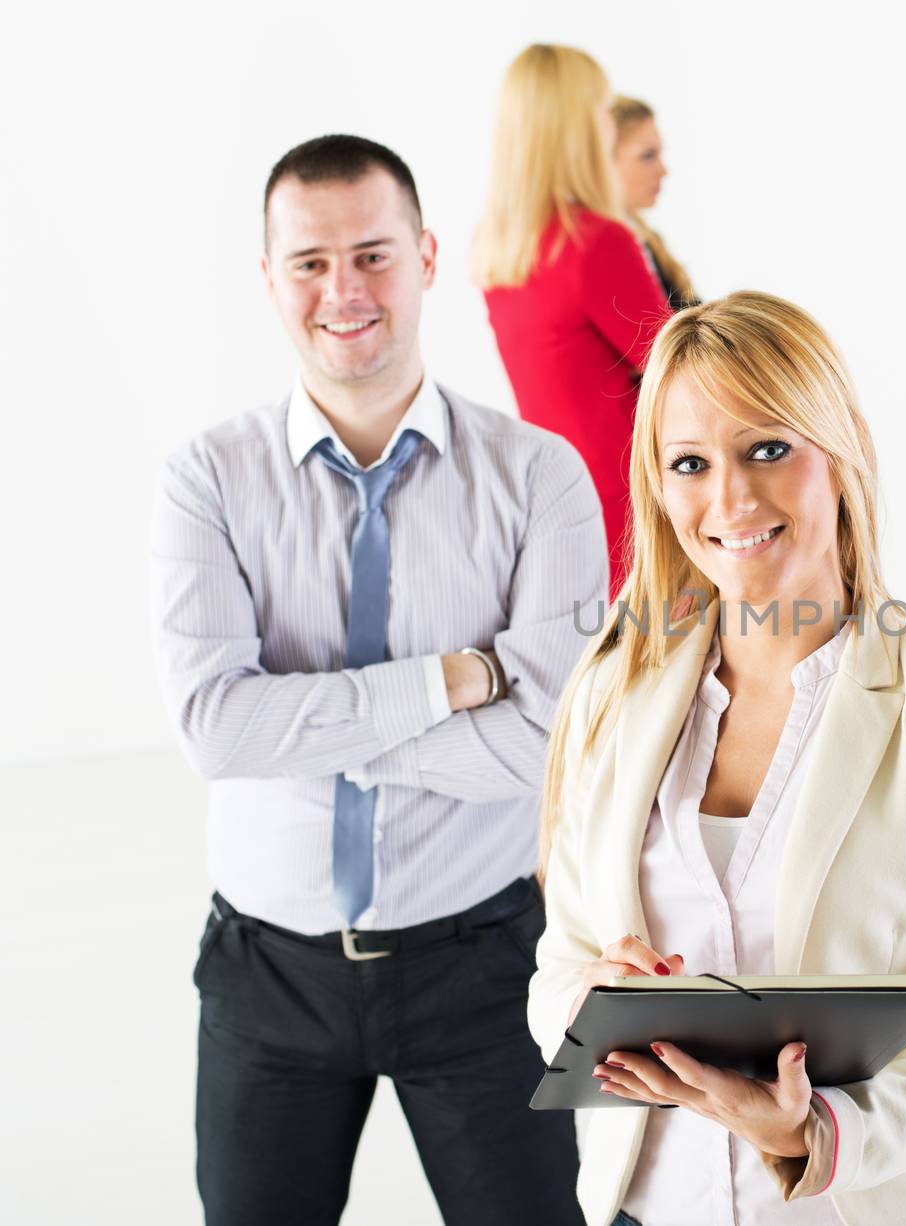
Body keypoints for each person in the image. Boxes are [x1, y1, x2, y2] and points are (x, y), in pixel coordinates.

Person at [153, 134, 605, 1225]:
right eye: (308, 261)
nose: (342, 290)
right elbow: (215, 728)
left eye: (372, 253)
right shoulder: (207, 478)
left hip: (484, 962)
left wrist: (298, 723)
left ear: (428, 256)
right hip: (270, 977)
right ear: (268, 279)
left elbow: (548, 743)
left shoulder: (541, 476)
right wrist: (451, 679)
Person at [526, 291, 906, 1226]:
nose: (729, 500)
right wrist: (589, 1006)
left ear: (839, 452)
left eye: (768, 448)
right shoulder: (613, 695)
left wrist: (813, 1133)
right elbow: (559, 965)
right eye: (690, 464)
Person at [476, 44, 671, 593]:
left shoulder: (501, 250)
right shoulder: (595, 242)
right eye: (602, 107)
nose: (610, 120)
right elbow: (677, 367)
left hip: (553, 498)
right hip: (628, 501)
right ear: (579, 126)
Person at [613, 95, 698, 310]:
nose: (663, 171)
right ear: (601, 161)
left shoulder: (649, 240)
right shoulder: (600, 251)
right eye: (648, 156)